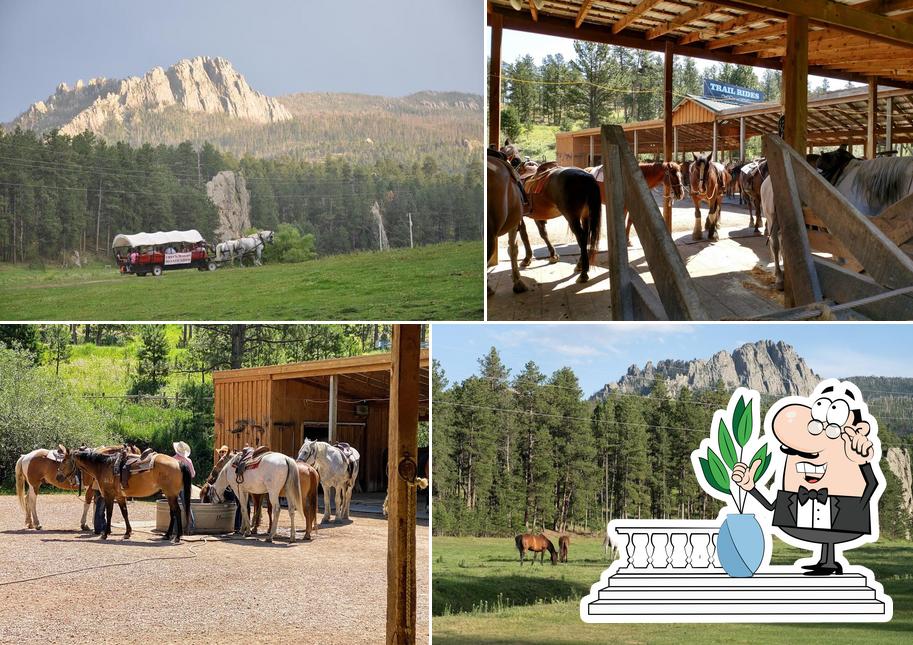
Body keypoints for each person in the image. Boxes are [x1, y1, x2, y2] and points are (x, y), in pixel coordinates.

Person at [173, 441, 196, 531]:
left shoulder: (173, 459)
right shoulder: (188, 461)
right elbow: (193, 474)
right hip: (185, 486)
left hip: (175, 487)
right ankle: (191, 527)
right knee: (187, 506)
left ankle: (175, 528)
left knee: (174, 506)